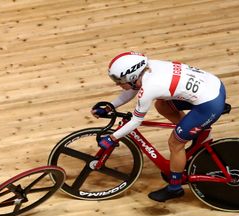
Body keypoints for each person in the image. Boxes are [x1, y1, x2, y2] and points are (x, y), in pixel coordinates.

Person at [92, 51, 227, 202]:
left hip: (208, 103)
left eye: (119, 80)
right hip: (213, 85)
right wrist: (111, 107)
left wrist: (112, 138)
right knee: (162, 105)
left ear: (131, 76)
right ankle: (195, 133)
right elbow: (131, 89)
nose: (117, 84)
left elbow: (136, 121)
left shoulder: (150, 87)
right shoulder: (148, 68)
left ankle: (175, 188)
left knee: (175, 143)